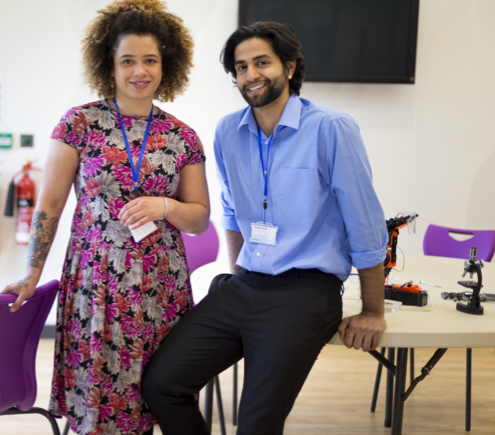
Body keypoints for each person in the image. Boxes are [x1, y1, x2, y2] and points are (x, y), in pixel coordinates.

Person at [142, 21, 387, 434]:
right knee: (162, 384)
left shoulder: (330, 128)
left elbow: (364, 222)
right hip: (247, 284)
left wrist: (373, 310)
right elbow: (233, 212)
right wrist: (238, 275)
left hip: (306, 290)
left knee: (255, 424)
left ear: (289, 67)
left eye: (261, 62)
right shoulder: (227, 131)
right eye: (240, 67)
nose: (250, 75)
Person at [0, 1, 209, 434]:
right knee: (99, 403)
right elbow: (50, 207)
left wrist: (164, 206)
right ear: (108, 65)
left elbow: (199, 219)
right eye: (127, 60)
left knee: (154, 398)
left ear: (165, 64)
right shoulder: (79, 124)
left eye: (149, 60)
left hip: (160, 289)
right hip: (97, 286)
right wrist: (30, 273)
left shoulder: (182, 136)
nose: (139, 71)